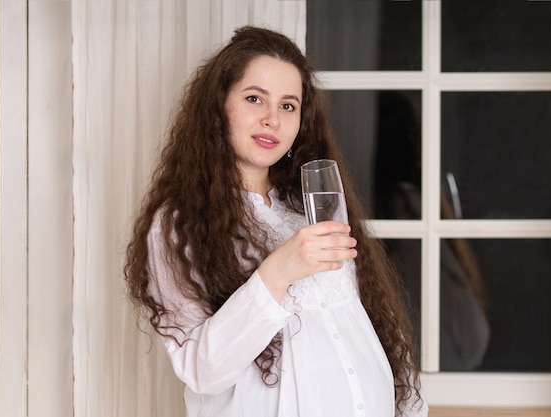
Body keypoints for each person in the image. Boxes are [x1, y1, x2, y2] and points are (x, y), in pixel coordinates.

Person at [124, 25, 428, 417]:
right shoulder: (178, 226)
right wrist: (278, 271)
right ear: (218, 107)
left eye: (288, 105)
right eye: (255, 99)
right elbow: (203, 371)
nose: (272, 119)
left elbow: (367, 326)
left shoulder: (308, 208)